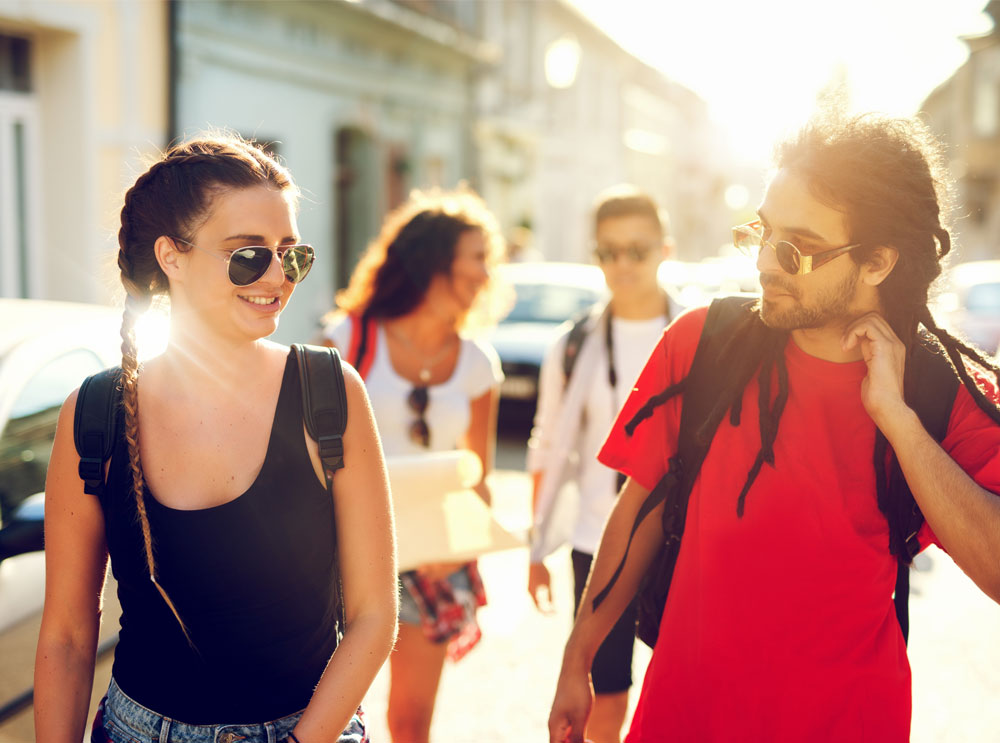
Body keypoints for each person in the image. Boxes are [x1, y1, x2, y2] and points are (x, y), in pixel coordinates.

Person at [548, 112, 1000, 743]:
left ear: (876, 261)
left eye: (795, 248)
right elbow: (638, 513)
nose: (764, 262)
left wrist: (899, 424)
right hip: (683, 720)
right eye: (763, 232)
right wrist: (579, 658)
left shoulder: (939, 392)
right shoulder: (701, 345)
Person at [34, 135, 398, 743]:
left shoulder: (328, 394)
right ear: (171, 258)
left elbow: (372, 616)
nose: (278, 276)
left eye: (291, 253)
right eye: (247, 255)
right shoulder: (94, 412)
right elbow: (68, 637)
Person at [321, 187, 504, 743]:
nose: (485, 272)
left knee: (409, 722)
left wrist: (449, 551)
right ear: (435, 259)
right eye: (476, 256)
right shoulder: (347, 340)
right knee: (324, 716)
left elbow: (479, 479)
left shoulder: (476, 363)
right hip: (340, 558)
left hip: (431, 565)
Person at [527, 186, 679, 743]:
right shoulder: (574, 343)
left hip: (684, 540)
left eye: (636, 251)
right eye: (607, 252)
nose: (621, 265)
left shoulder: (699, 335)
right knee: (602, 693)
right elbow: (547, 445)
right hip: (597, 540)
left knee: (680, 688)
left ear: (666, 250)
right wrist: (537, 546)